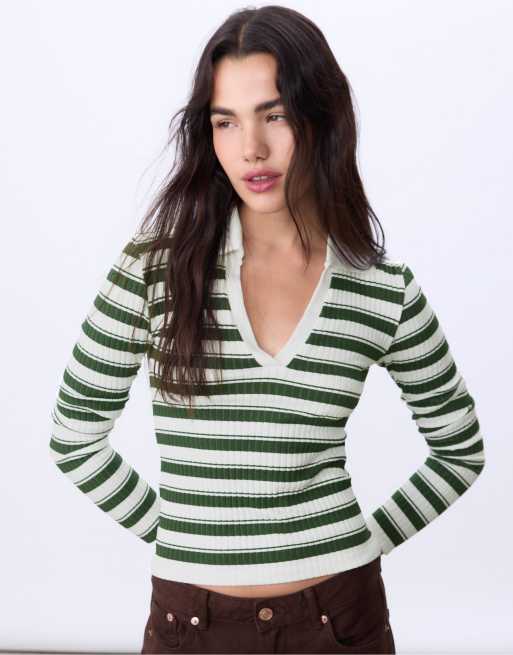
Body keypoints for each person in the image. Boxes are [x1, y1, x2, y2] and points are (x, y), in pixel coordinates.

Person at [48, 5, 485, 654]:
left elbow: (459, 450)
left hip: (340, 620)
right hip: (190, 626)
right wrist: (179, 535)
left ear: (321, 117)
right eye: (226, 121)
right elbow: (74, 436)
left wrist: (358, 542)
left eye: (274, 115)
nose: (250, 147)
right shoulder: (154, 269)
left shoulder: (380, 287)